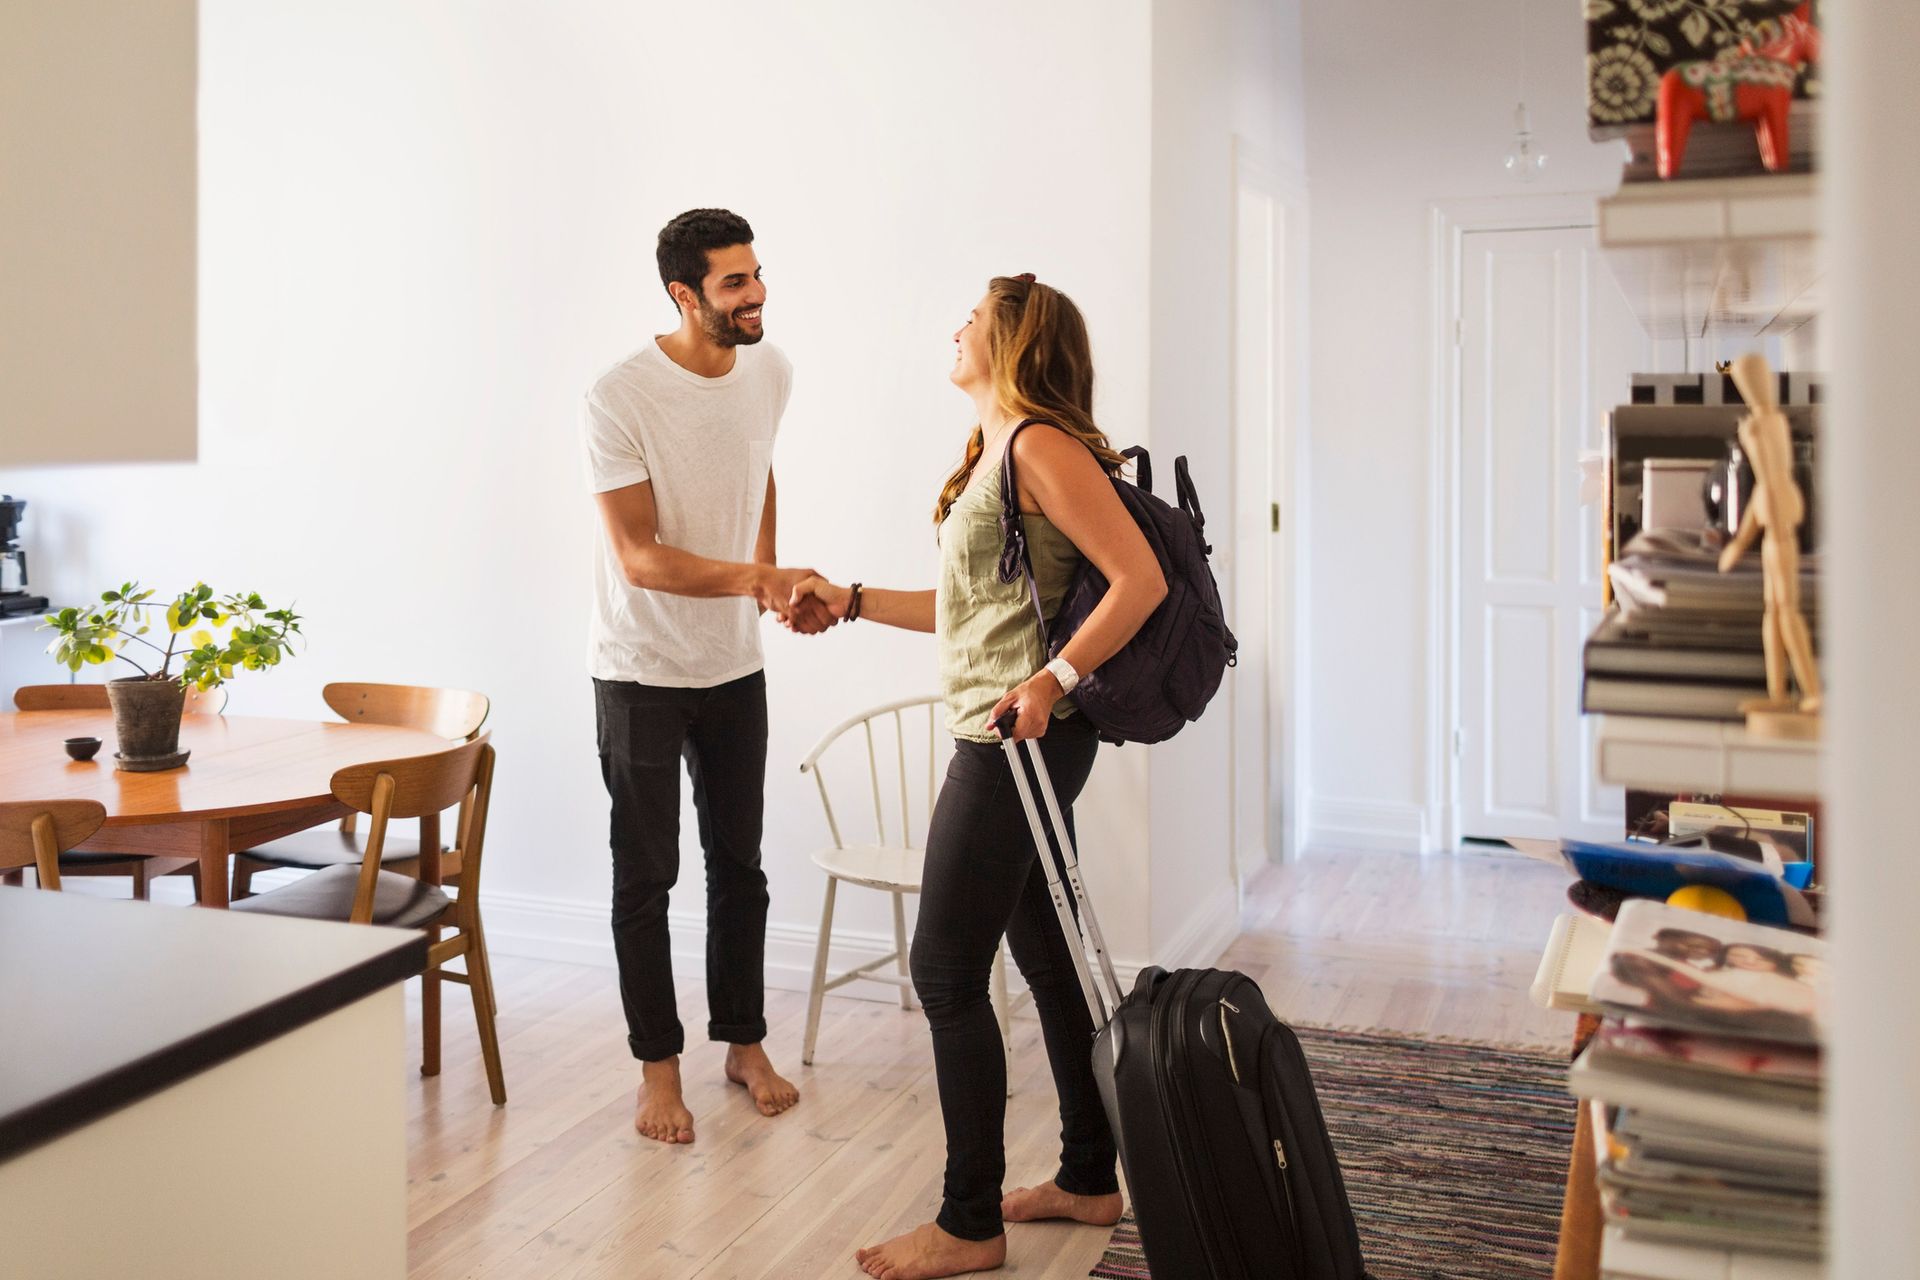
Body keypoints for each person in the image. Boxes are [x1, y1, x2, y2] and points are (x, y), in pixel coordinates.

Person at [787, 274, 1167, 1280]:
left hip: (1016, 739)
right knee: (1044, 956)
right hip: (1011, 730)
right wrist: (854, 598)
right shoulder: (997, 452)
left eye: (972, 316)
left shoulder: (1040, 443)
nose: (954, 327)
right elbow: (973, 613)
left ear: (1012, 338)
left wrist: (1050, 679)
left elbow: (1141, 578)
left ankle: (968, 1220)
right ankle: (1090, 1176)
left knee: (945, 970)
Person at [583, 207, 832, 1146]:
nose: (757, 292)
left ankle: (743, 1043)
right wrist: (758, 577)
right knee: (646, 879)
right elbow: (639, 558)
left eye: (757, 273)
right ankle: (658, 1069)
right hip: (639, 668)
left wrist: (762, 582)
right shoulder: (617, 397)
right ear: (685, 295)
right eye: (734, 282)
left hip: (733, 668)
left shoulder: (771, 370)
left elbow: (757, 468)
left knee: (741, 870)